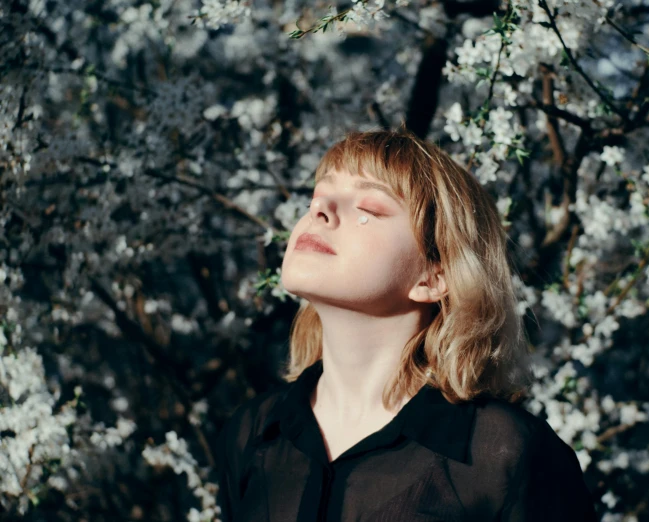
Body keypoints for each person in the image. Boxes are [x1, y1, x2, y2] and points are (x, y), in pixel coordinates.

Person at [216, 129, 598, 522]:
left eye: (368, 208)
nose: (321, 210)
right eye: (317, 197)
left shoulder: (505, 457)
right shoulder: (252, 434)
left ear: (434, 276)